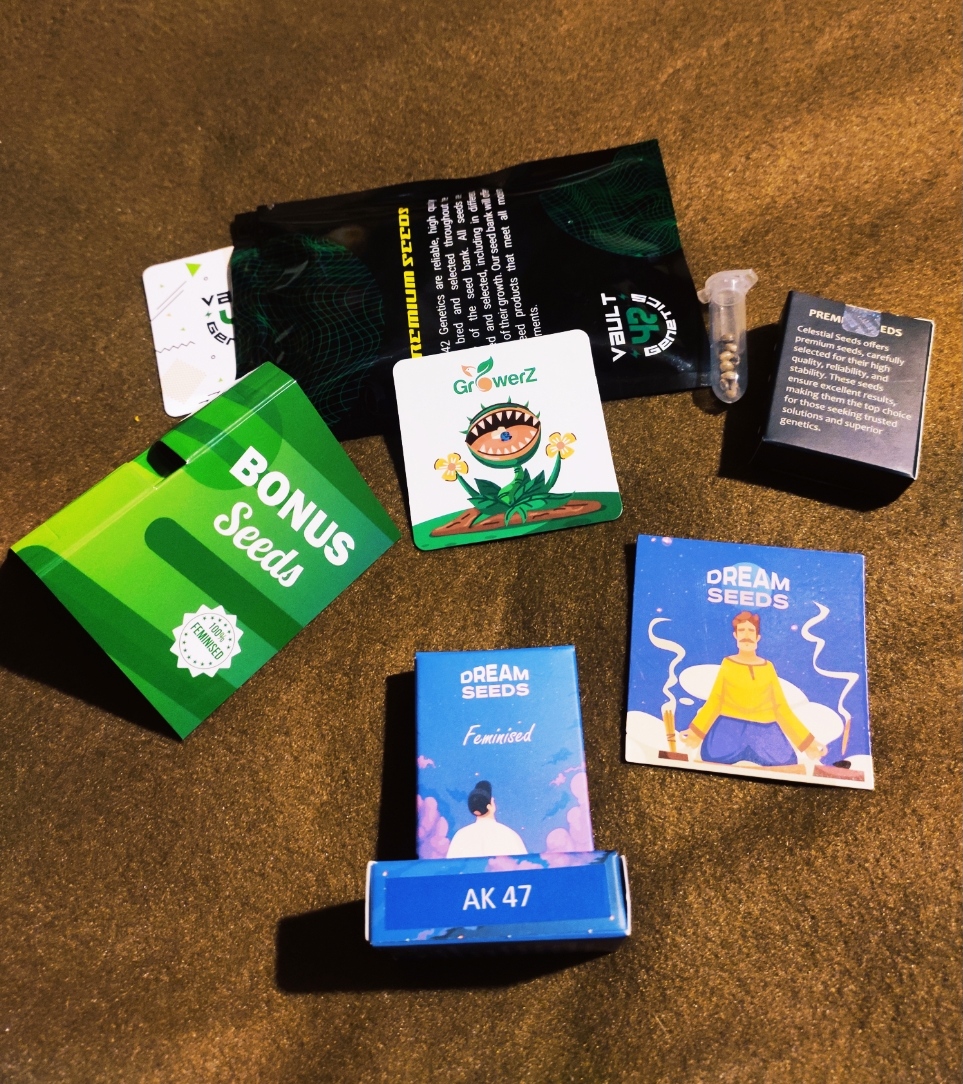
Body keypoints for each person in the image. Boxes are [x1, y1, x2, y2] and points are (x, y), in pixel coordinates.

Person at [678, 611, 828, 767]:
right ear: (735, 635)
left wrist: (808, 743)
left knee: (786, 762)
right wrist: (695, 732)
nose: (746, 635)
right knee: (712, 755)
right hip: (730, 727)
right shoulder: (728, 663)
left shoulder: (767, 667)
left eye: (751, 631)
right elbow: (715, 700)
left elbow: (781, 707)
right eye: (742, 630)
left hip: (764, 730)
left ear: (758, 637)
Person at [445, 780, 527, 858]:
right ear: (492, 803)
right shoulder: (509, 836)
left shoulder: (460, 837)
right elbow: (524, 865)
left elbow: (450, 866)